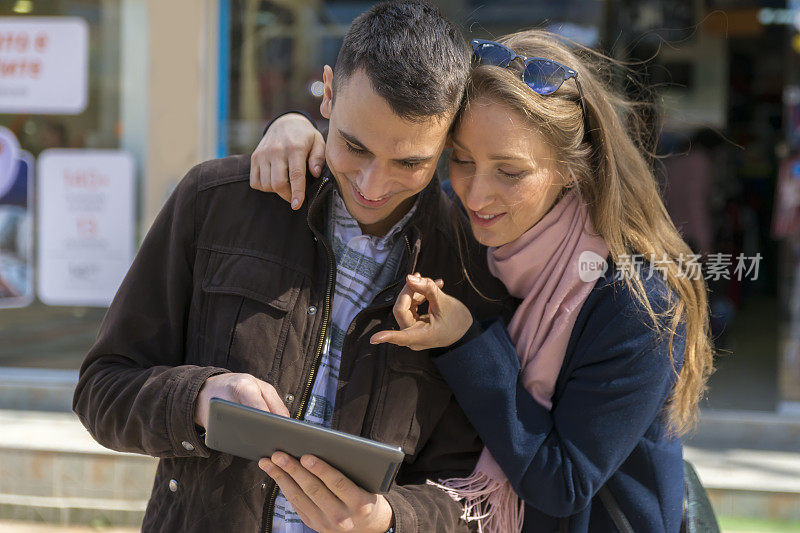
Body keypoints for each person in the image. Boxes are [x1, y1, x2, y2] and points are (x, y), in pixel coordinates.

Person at [72, 2, 512, 532]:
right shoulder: (218, 201)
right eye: (354, 146)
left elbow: (472, 490)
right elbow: (102, 389)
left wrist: (391, 520)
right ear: (327, 92)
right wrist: (200, 399)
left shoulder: (475, 268)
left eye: (409, 163)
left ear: (447, 140)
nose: (373, 185)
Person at [251, 31, 715, 533]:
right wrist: (298, 132)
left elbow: (562, 483)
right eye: (463, 159)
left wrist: (465, 340)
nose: (475, 192)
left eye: (510, 172)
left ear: (569, 169)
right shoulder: (466, 235)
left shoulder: (637, 300)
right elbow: (378, 159)